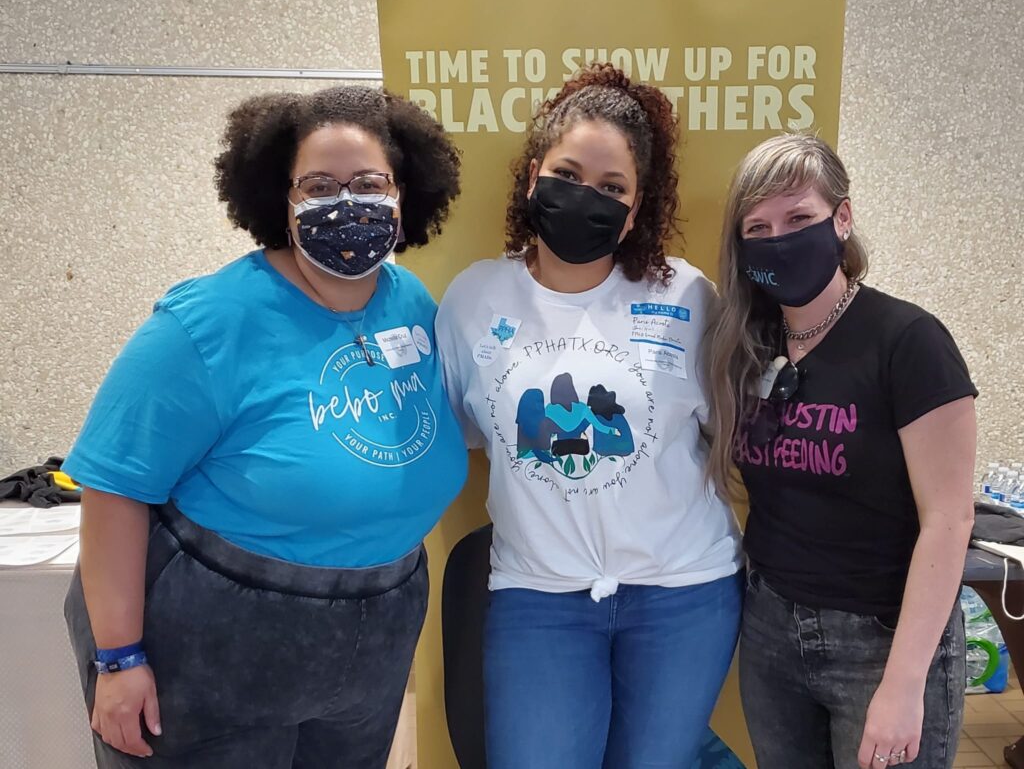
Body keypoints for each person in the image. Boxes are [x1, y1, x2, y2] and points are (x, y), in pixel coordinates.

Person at [62, 85, 468, 768]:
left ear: (404, 197)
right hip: (215, 650)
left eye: (370, 183)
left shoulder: (412, 304)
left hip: (373, 643)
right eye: (319, 185)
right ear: (280, 199)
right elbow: (113, 488)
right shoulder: (206, 322)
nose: (347, 202)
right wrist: (118, 656)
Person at [435, 64, 743, 769]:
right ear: (532, 177)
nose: (587, 198)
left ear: (636, 210)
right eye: (568, 173)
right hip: (539, 598)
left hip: (683, 594)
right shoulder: (475, 298)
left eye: (612, 189)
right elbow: (460, 435)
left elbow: (727, 432)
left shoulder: (688, 296)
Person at [706, 133, 977, 769]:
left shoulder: (908, 341)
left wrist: (905, 685)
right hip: (772, 631)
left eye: (800, 218)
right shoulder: (747, 348)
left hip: (882, 641)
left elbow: (950, 520)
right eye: (759, 227)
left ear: (843, 218)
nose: (780, 239)